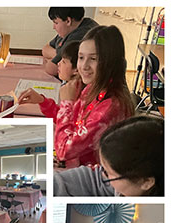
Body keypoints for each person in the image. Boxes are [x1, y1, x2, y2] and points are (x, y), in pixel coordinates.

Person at [19, 25, 135, 167]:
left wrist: (66, 103)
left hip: (95, 181)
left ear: (110, 62)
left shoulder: (110, 106)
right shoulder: (93, 88)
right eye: (81, 57)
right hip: (77, 166)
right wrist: (43, 102)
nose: (84, 66)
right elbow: (73, 122)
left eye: (93, 59)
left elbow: (64, 150)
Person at [54, 116, 164, 196]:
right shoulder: (129, 184)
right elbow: (92, 178)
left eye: (108, 173)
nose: (102, 175)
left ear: (146, 182)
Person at [42, 7, 97, 77]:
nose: (54, 27)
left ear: (68, 21)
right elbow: (45, 49)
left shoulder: (81, 35)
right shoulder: (68, 29)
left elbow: (51, 68)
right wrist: (58, 55)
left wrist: (52, 60)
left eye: (56, 23)